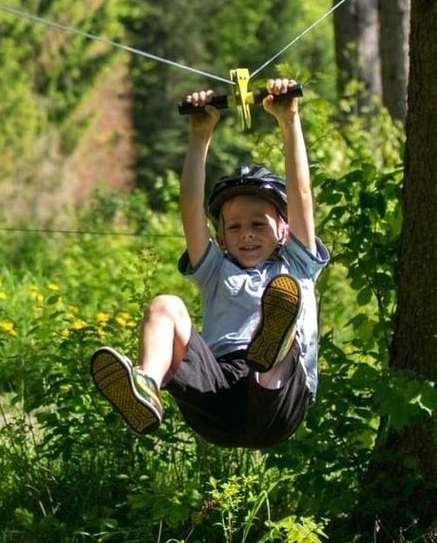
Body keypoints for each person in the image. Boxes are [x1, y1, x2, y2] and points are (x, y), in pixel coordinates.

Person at [90, 77, 330, 449]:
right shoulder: (217, 270)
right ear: (220, 238)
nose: (246, 234)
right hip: (217, 399)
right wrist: (200, 136)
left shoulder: (297, 264)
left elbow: (300, 194)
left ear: (284, 230)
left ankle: (273, 345)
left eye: (257, 224)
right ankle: (146, 384)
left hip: (277, 403)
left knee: (284, 303)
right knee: (165, 305)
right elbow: (190, 208)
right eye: (234, 227)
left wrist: (289, 119)